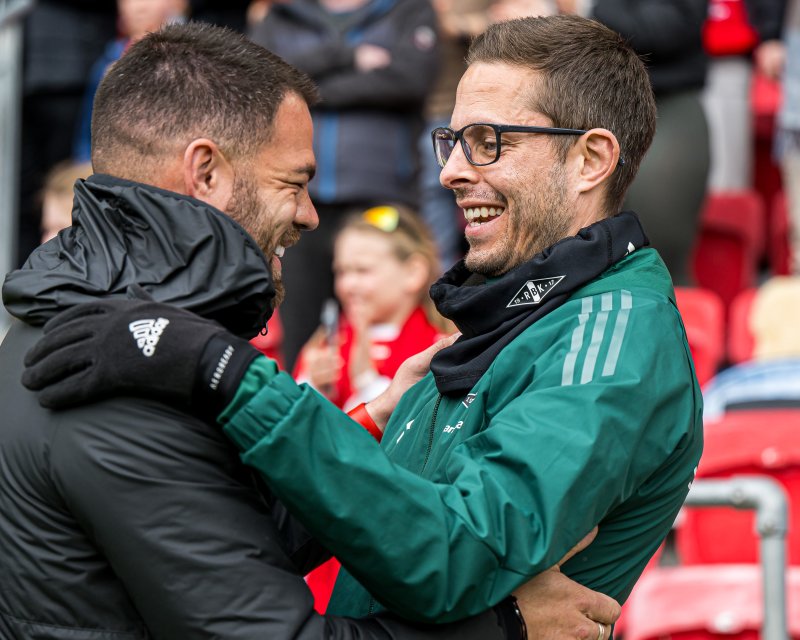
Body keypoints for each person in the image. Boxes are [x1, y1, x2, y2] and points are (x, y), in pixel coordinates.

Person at [22, 13, 703, 629]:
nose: (451, 173)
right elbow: (320, 527)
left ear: (590, 159)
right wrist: (372, 421)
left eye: (489, 142)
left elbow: (455, 557)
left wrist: (227, 375)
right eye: (453, 141)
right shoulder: (511, 312)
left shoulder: (611, 337)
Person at [248, 0, 440, 371]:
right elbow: (260, 81)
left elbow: (411, 80)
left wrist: (304, 85)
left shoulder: (409, 9)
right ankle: (304, 412)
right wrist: (347, 55)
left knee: (391, 317)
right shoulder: (281, 13)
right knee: (301, 330)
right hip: (299, 200)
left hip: (381, 196)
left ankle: (395, 413)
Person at [295, 204, 452, 411]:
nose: (347, 285)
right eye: (341, 271)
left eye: (363, 270)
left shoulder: (437, 346)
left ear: (414, 273)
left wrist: (366, 381)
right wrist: (313, 383)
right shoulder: (329, 341)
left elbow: (423, 421)